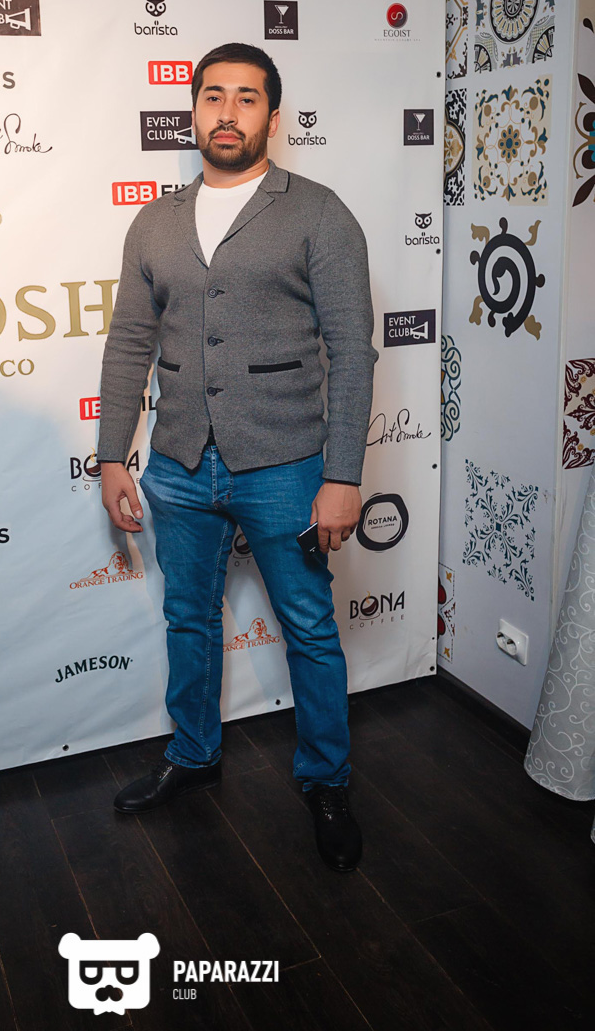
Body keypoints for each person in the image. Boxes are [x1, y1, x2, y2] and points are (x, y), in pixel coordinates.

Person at [96, 43, 378, 872]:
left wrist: (342, 475)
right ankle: (192, 754)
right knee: (187, 616)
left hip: (286, 464)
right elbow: (128, 343)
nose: (227, 112)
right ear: (193, 110)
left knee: (309, 628)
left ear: (272, 117)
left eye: (246, 98)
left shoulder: (319, 213)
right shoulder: (154, 221)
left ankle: (326, 780)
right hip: (178, 464)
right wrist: (111, 456)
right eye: (212, 95)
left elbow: (351, 351)